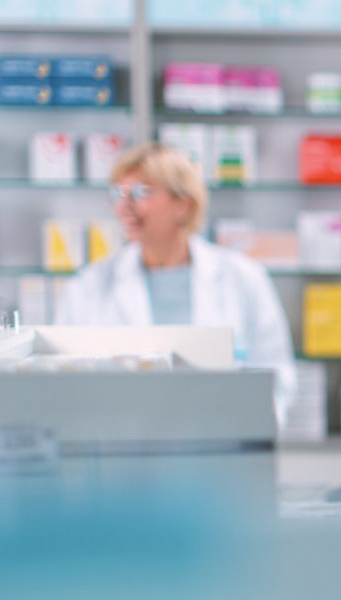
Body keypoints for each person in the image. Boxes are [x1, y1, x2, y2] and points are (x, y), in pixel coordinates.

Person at [54, 143, 296, 421]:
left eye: (140, 193)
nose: (123, 207)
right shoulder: (88, 287)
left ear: (184, 204)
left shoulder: (243, 278)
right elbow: (67, 380)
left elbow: (273, 374)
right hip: (121, 446)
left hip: (220, 444)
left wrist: (250, 436)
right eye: (118, 193)